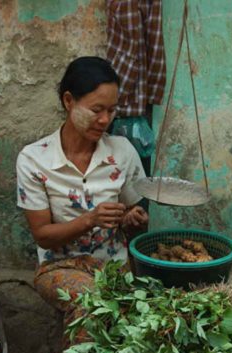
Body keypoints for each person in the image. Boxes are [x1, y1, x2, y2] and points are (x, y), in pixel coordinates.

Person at [17, 56, 149, 327]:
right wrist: (90, 219)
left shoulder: (122, 152)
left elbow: (135, 225)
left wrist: (132, 220)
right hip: (60, 267)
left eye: (111, 111)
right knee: (90, 302)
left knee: (126, 322)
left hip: (114, 268)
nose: (104, 120)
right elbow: (42, 236)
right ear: (69, 101)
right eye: (96, 109)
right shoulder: (34, 160)